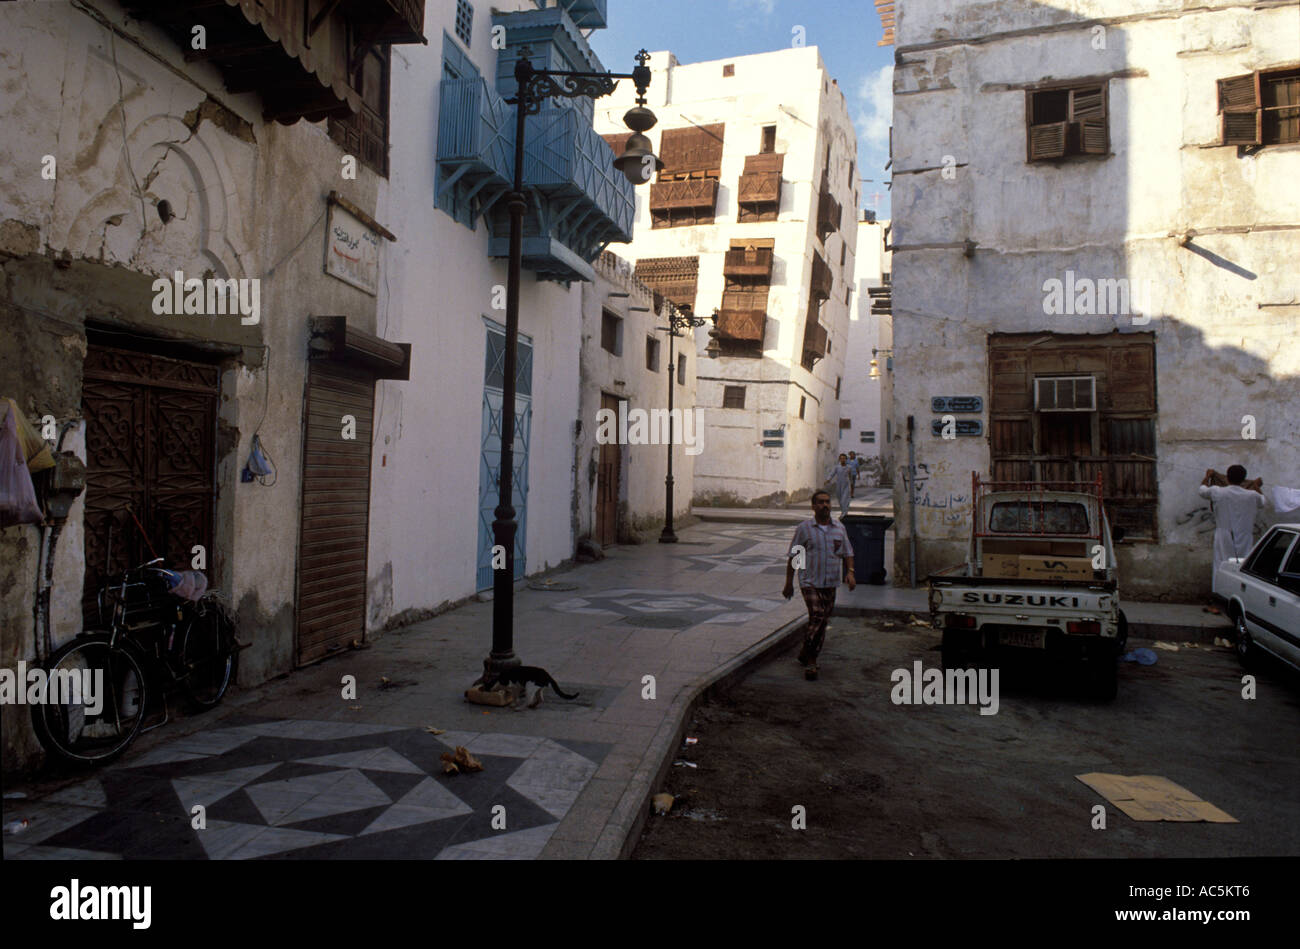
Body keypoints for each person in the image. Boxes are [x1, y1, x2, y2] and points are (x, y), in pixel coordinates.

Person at [784, 490, 856, 680]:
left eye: (827, 502)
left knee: (823, 622)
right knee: (817, 615)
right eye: (821, 502)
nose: (825, 505)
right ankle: (812, 661)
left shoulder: (839, 528)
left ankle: (805, 652)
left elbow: (848, 552)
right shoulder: (804, 529)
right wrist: (788, 583)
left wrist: (850, 573)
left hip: (830, 582)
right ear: (813, 506)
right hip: (810, 581)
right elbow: (794, 556)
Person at [1198, 465, 1266, 585]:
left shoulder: (1217, 491)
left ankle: (1219, 593)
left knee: (1221, 563)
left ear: (1227, 478)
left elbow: (1202, 490)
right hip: (1244, 536)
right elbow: (1262, 500)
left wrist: (1207, 476)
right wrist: (1256, 486)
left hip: (1224, 535)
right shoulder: (1252, 495)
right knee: (1242, 566)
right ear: (1244, 479)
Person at [825, 453, 853, 519]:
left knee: (844, 500)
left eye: (844, 458)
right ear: (839, 459)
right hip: (839, 485)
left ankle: (844, 513)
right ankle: (844, 511)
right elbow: (832, 474)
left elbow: (850, 476)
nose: (843, 460)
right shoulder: (837, 467)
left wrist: (851, 485)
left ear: (846, 459)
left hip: (846, 485)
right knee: (840, 500)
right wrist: (828, 479)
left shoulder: (849, 467)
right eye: (841, 459)